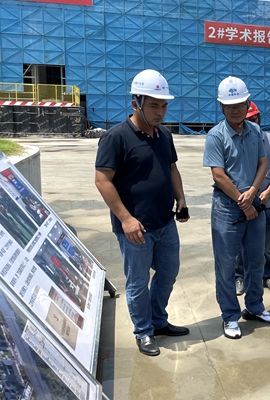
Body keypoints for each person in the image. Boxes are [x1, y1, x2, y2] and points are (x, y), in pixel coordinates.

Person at [94, 69, 190, 357]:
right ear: (135, 103)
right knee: (137, 282)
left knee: (168, 272)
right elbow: (102, 180)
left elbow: (172, 168)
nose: (160, 112)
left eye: (164, 106)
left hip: (165, 221)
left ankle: (158, 320)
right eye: (154, 105)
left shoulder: (164, 135)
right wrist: (126, 219)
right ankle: (144, 331)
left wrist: (181, 199)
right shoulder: (116, 137)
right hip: (135, 228)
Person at [203, 76, 270, 340]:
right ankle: (230, 316)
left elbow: (263, 163)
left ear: (248, 104)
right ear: (221, 107)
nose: (235, 110)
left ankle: (255, 307)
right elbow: (218, 175)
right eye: (229, 105)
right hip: (227, 207)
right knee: (226, 265)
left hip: (253, 203)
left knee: (256, 260)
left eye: (239, 104)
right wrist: (242, 201)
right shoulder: (215, 136)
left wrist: (253, 192)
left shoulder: (255, 131)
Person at [235, 101, 270, 295]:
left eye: (254, 118)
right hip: (242, 202)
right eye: (247, 120)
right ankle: (239, 277)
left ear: (259, 118)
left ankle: (268, 276)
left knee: (265, 245)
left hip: (265, 203)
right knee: (240, 244)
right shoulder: (237, 141)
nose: (251, 123)